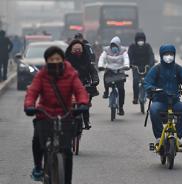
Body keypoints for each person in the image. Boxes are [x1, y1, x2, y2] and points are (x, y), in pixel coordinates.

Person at [24, 46, 89, 183]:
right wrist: (29, 106)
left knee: (67, 151)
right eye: (51, 59)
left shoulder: (71, 74)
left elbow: (80, 90)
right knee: (38, 140)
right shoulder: (42, 75)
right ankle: (38, 167)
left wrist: (83, 103)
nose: (55, 61)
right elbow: (32, 92)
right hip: (44, 113)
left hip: (65, 114)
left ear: (63, 59)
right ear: (47, 61)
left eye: (57, 58)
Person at [144, 44, 182, 145]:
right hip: (160, 101)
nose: (168, 56)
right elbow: (147, 82)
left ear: (174, 55)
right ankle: (159, 137)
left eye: (171, 54)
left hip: (175, 102)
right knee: (153, 110)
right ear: (161, 55)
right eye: (166, 54)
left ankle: (177, 135)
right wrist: (152, 88)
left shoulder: (178, 69)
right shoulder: (157, 69)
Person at [65, 39, 99, 129]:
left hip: (84, 83)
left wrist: (95, 80)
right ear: (70, 50)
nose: (77, 52)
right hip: (70, 85)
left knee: (85, 103)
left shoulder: (87, 60)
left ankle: (86, 120)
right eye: (75, 50)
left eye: (79, 50)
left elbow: (93, 72)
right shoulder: (66, 61)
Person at [98, 36, 130, 115]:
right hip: (110, 70)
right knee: (105, 77)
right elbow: (102, 58)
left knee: (121, 89)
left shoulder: (123, 51)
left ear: (118, 45)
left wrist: (126, 65)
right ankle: (106, 91)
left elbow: (126, 59)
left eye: (115, 46)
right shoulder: (106, 50)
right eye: (112, 46)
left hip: (120, 70)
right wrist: (100, 66)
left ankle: (121, 107)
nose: (113, 48)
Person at [128, 32, 155, 104]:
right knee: (135, 81)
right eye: (139, 39)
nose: (140, 41)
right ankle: (135, 97)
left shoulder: (147, 46)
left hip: (146, 66)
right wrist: (130, 64)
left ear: (144, 40)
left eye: (142, 39)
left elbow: (151, 55)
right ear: (136, 40)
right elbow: (129, 56)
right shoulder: (132, 47)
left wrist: (151, 64)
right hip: (136, 67)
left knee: (149, 81)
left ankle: (150, 95)